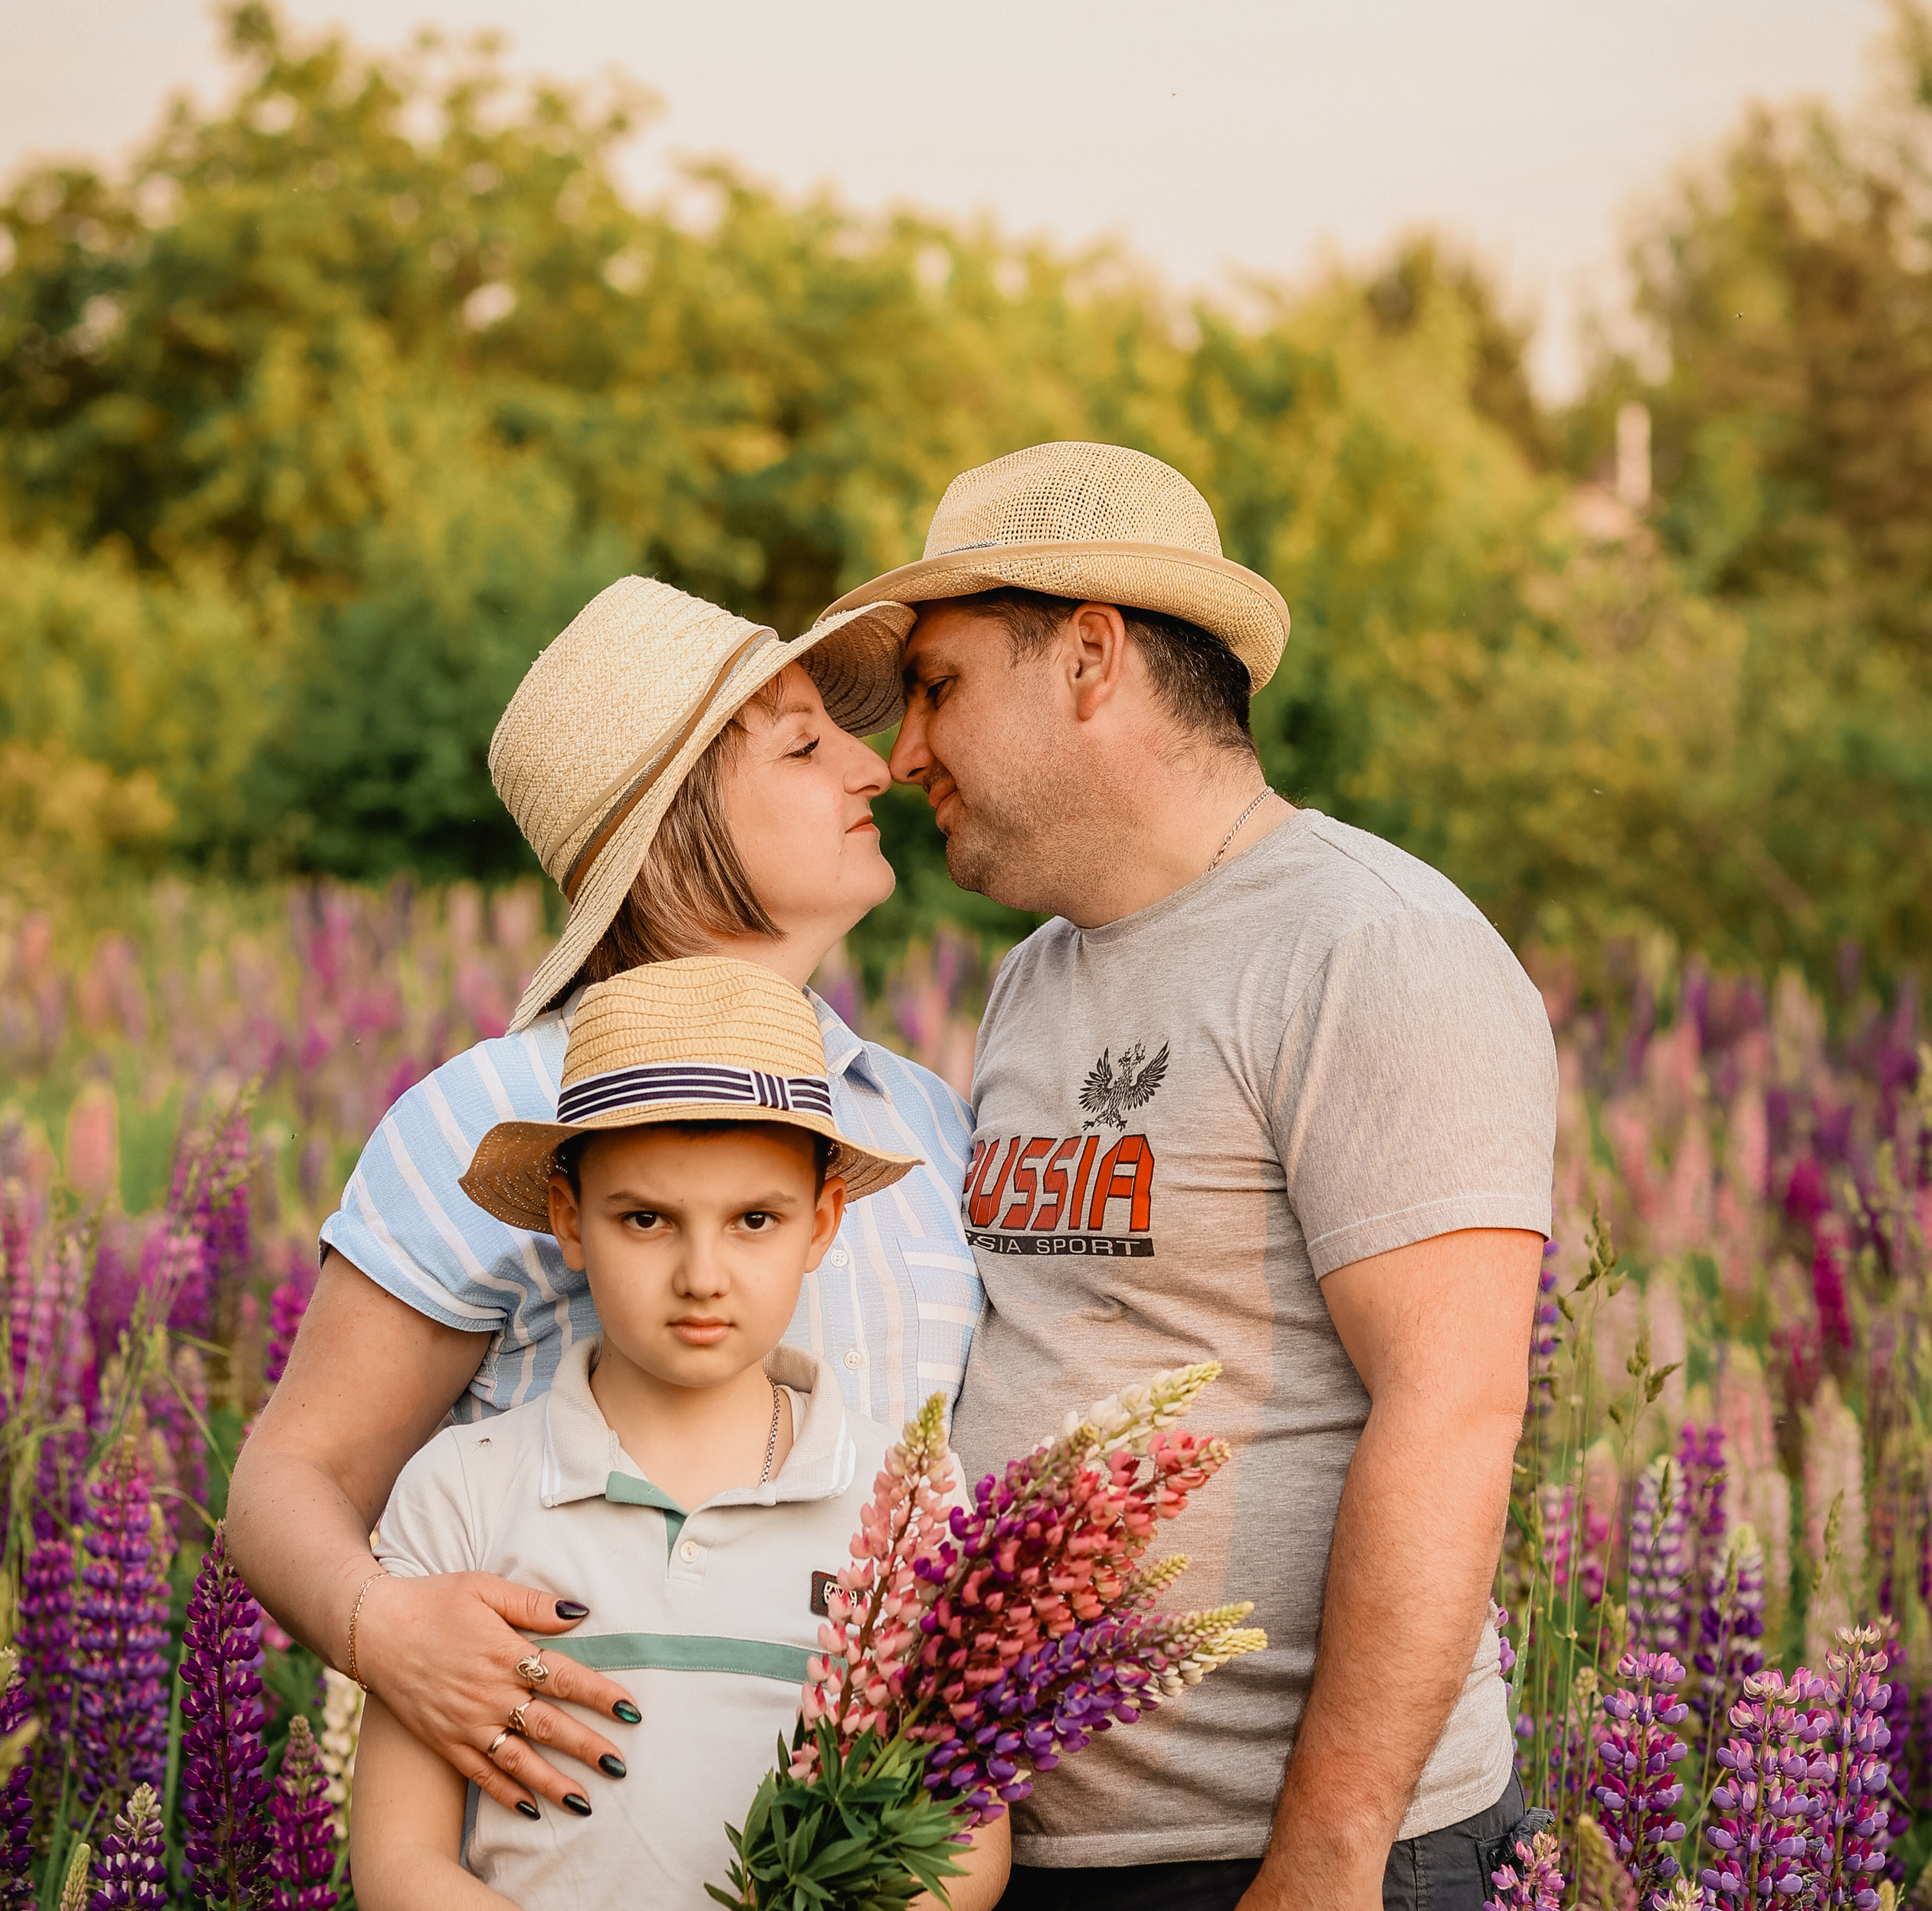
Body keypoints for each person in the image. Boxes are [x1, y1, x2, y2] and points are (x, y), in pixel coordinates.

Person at [815, 441, 1557, 1911]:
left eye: (942, 684)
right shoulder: (1035, 976)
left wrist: (1327, 1857)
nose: (903, 755)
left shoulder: (1369, 944)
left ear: (1090, 656)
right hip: (1018, 1841)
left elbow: (1455, 1408)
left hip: (1290, 1856)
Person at [228, 576, 986, 1824]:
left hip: (863, 1854)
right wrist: (383, 1628)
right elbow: (290, 1476)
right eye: (804, 744)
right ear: (674, 830)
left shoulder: (911, 1116)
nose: (873, 768)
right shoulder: (494, 1117)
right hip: (575, 1838)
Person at [349, 956, 1010, 1909]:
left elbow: (965, 1851)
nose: (703, 1274)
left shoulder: (904, 1497)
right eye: (648, 1218)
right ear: (571, 1222)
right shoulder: (463, 1486)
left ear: (821, 1223)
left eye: (753, 1219)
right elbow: (400, 1863)